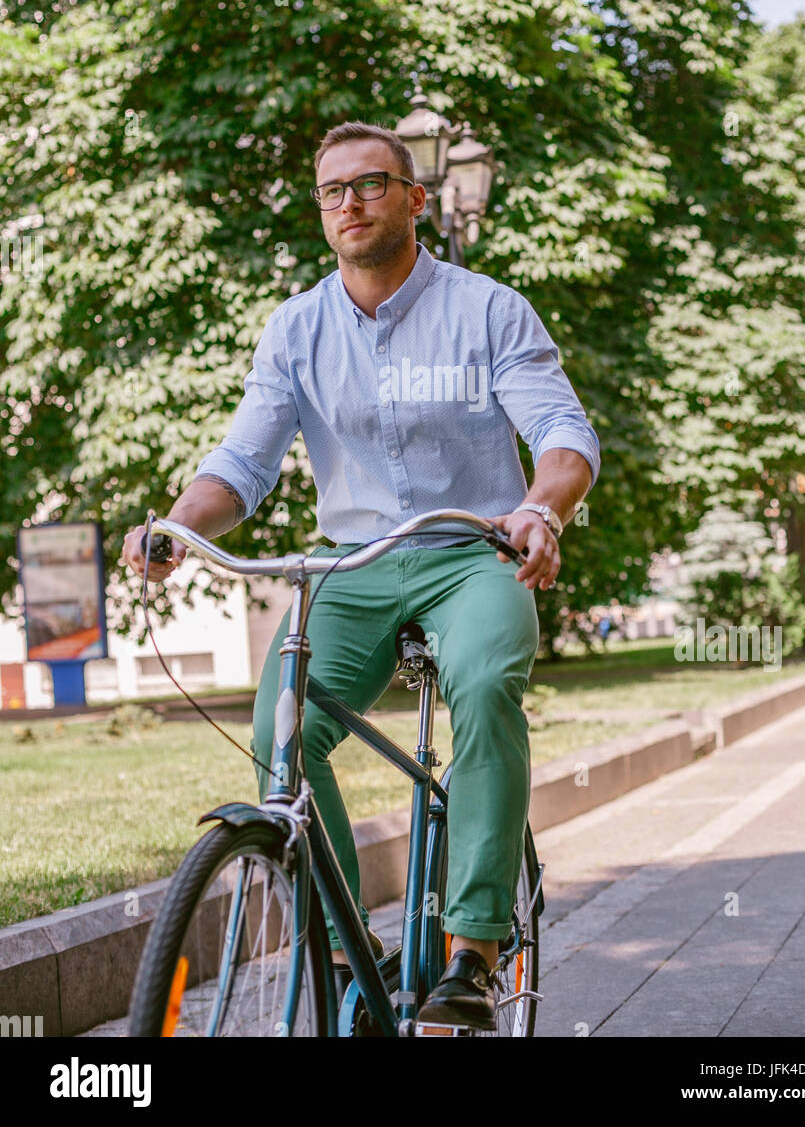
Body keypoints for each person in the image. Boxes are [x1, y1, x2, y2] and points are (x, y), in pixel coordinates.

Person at [122, 120, 600, 1030]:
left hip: (473, 552)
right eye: (332, 191)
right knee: (280, 729)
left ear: (416, 198)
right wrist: (181, 524)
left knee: (489, 685)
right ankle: (352, 949)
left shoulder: (489, 309)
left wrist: (540, 508)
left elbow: (562, 435)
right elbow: (245, 462)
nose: (349, 203)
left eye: (371, 184)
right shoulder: (297, 327)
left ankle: (473, 952)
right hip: (354, 563)